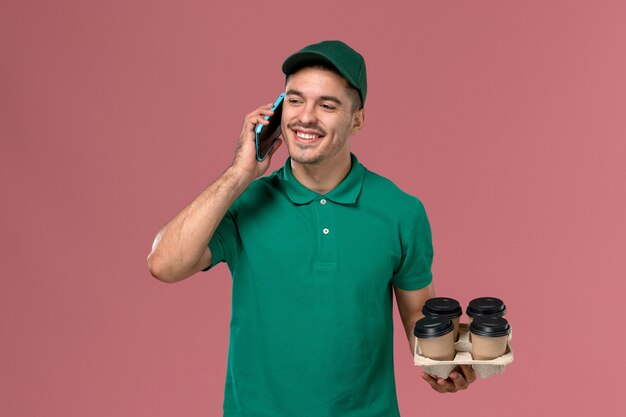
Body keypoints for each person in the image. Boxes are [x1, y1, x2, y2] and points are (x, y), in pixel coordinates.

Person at [148, 40, 476, 417]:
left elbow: (418, 315)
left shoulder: (401, 211)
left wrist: (445, 365)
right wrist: (240, 173)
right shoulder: (245, 202)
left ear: (357, 120)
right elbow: (164, 264)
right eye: (295, 100)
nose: (306, 117)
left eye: (327, 105)